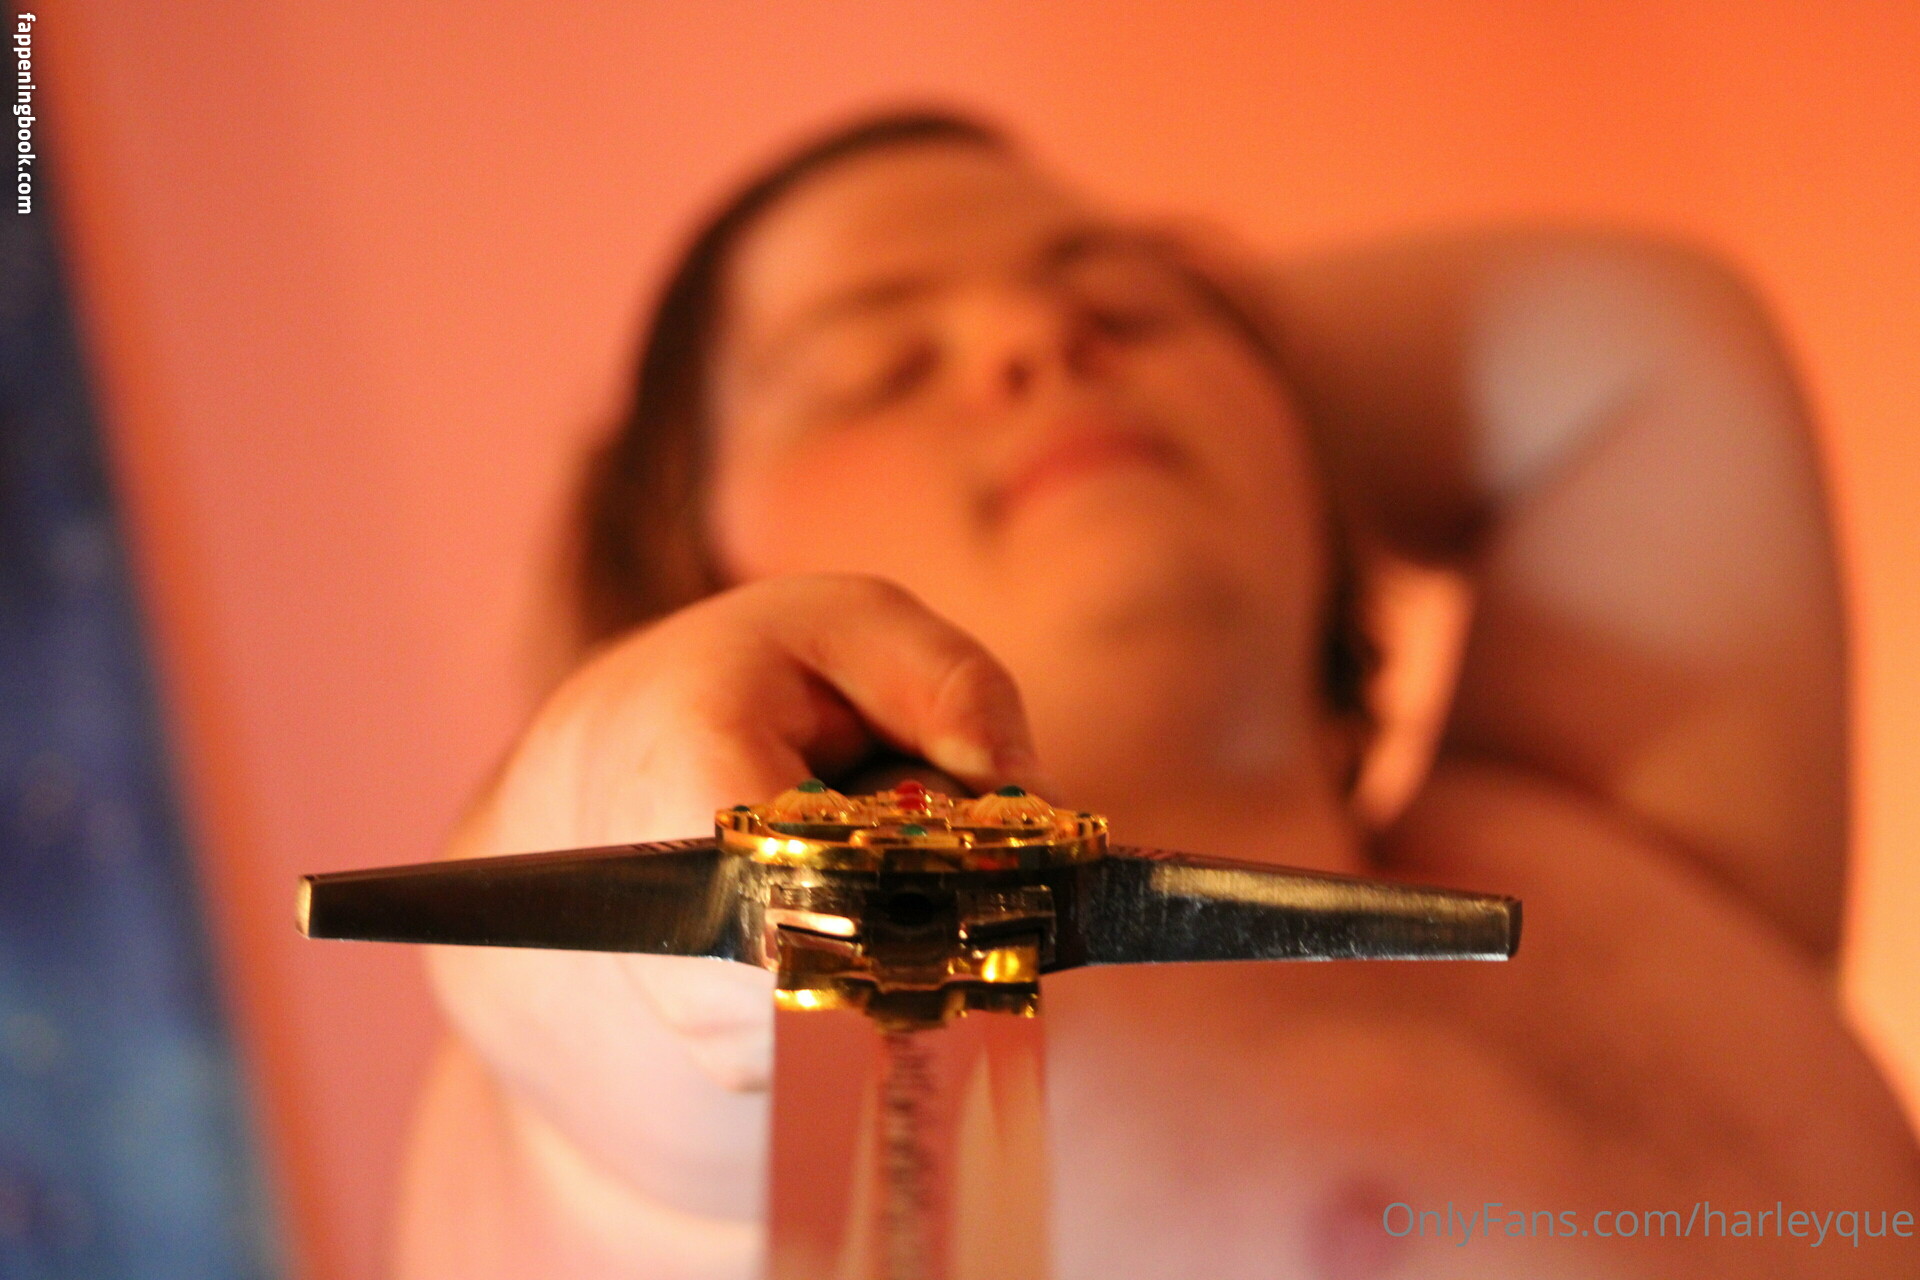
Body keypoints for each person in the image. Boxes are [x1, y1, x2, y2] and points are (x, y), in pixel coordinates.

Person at [392, 112, 1920, 1278]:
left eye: (1122, 302)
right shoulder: (851, 1065)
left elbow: (1637, 335)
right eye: (878, 368)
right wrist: (674, 781)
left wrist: (1221, 359)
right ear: (691, 579)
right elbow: (567, 997)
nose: (1039, 338)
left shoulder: (1602, 831)